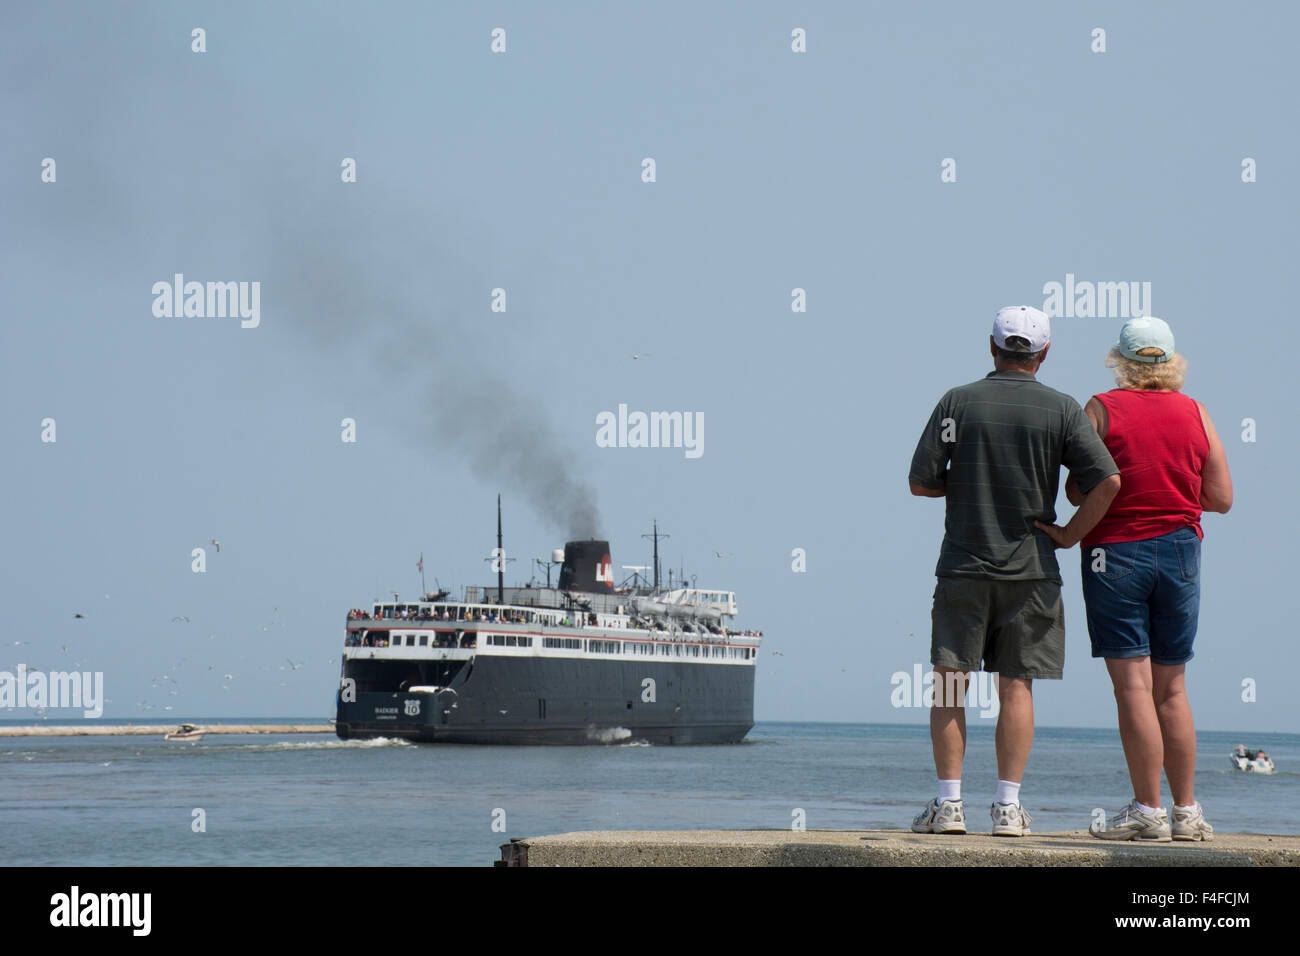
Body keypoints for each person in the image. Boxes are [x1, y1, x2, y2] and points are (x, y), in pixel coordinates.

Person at [909, 306, 1121, 836]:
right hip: (1032, 569)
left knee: (948, 687)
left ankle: (948, 805)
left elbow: (921, 482)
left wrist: (962, 485)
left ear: (992, 346)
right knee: (1017, 688)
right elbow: (1108, 481)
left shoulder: (957, 402)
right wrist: (1071, 535)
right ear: (1043, 353)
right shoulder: (1063, 409)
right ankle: (1007, 808)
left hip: (963, 564)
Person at [1039, 317, 1231, 842]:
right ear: (1171, 361)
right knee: (1172, 687)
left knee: (1133, 687)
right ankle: (1187, 813)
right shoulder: (1197, 412)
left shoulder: (1101, 408)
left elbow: (1079, 492)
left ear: (1120, 360)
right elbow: (1221, 498)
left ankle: (1147, 811)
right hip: (1181, 551)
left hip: (1115, 554)